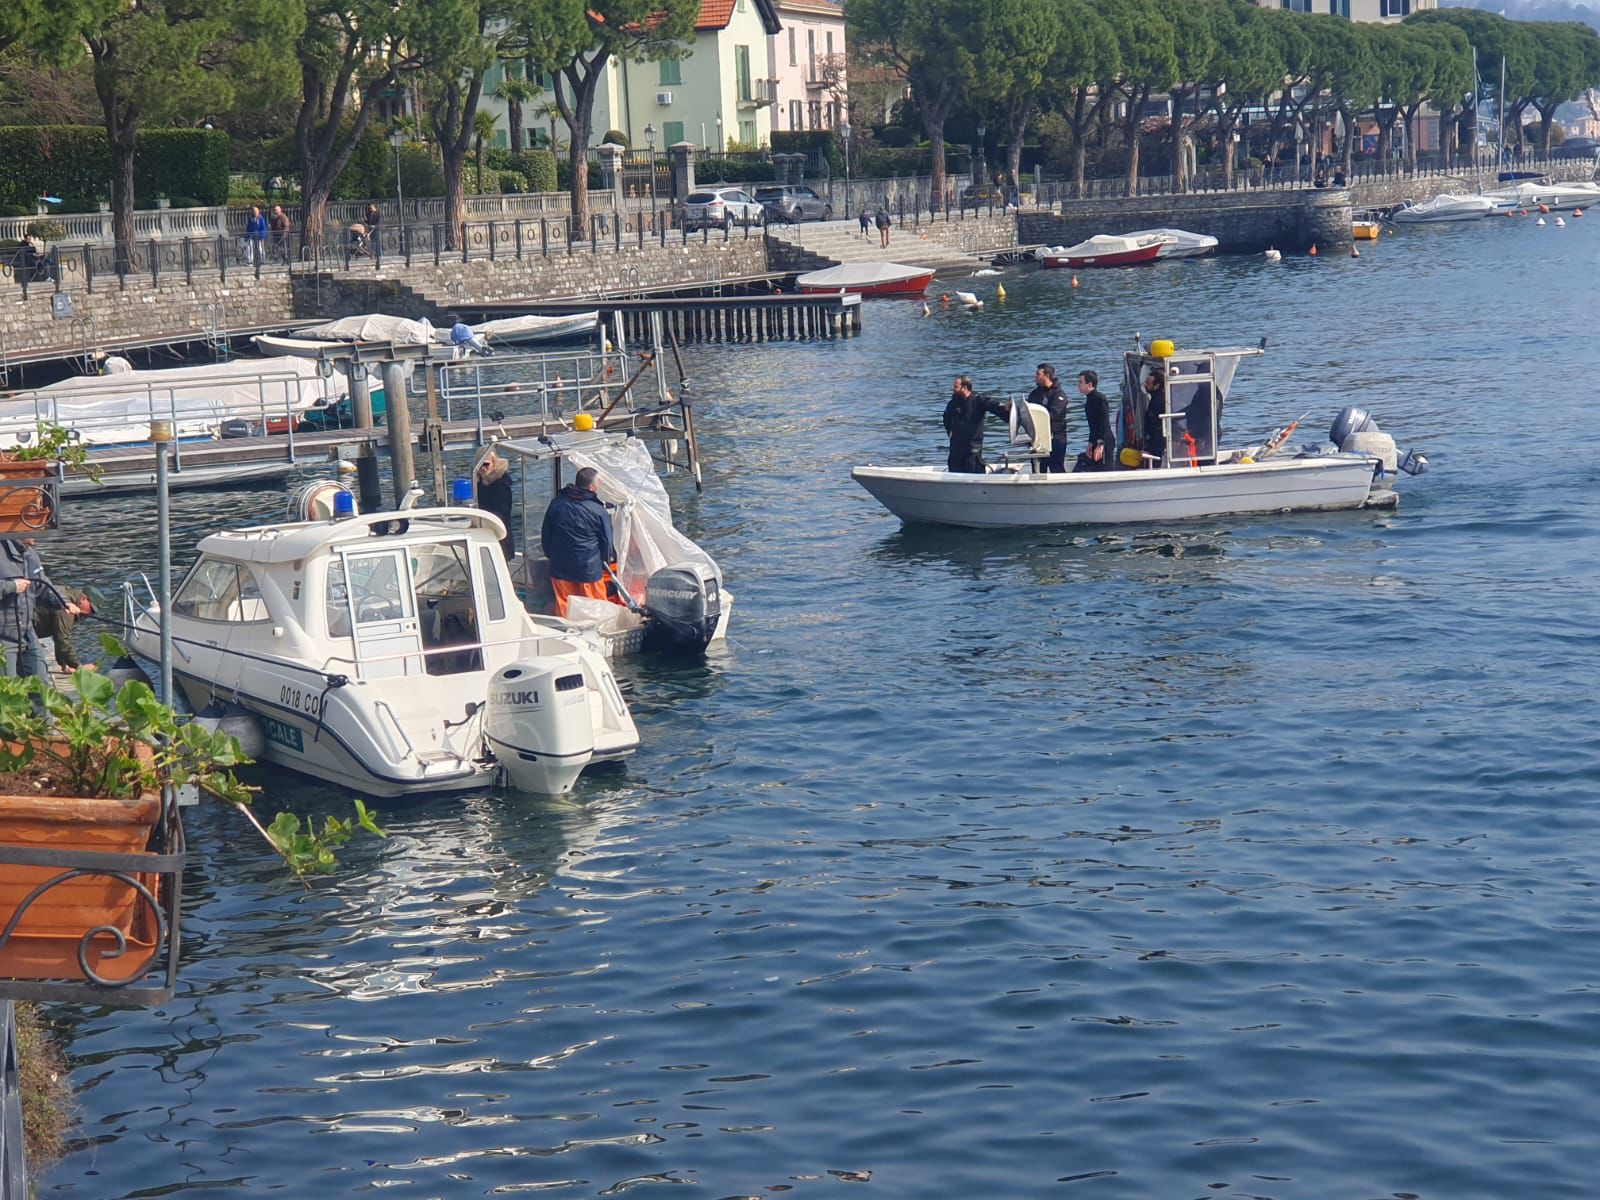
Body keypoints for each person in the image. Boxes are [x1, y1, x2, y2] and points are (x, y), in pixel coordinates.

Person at [541, 466, 617, 617]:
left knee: (565, 605)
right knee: (596, 607)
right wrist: (605, 562)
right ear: (591, 487)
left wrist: (551, 556)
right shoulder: (598, 510)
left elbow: (546, 533)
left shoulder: (557, 503)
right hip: (588, 568)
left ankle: (566, 628)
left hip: (560, 565)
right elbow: (606, 542)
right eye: (599, 482)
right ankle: (596, 628)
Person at [0, 538, 59, 685]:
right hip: (3, 637)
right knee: (7, 687)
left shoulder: (31, 555)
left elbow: (43, 586)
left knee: (40, 684)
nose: (34, 541)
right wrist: (10, 586)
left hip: (27, 633)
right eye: (32, 536)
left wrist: (65, 603)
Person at [942, 375, 1009, 475]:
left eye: (956, 387)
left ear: (964, 388)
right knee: (954, 470)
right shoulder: (953, 402)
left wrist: (1005, 407)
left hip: (972, 448)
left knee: (973, 470)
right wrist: (949, 430)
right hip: (956, 448)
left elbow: (993, 405)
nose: (953, 390)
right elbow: (946, 417)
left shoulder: (978, 401)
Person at [1026, 363, 1070, 473]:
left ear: (1047, 376)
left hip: (1056, 437)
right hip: (1038, 438)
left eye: (1038, 374)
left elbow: (1053, 414)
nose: (1035, 376)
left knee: (1056, 467)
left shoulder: (1059, 395)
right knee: (1038, 468)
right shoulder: (1035, 394)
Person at [476, 451, 516, 560]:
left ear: (494, 464)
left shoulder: (500, 485)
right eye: (480, 464)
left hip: (499, 536)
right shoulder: (480, 483)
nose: (483, 468)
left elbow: (501, 513)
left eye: (486, 464)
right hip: (488, 533)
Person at [1074, 369, 1115, 472]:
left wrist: (1101, 444)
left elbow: (1104, 422)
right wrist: (1090, 443)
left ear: (1089, 384)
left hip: (1104, 438)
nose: (1078, 385)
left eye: (1080, 382)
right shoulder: (1089, 400)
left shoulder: (1099, 398)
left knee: (1104, 468)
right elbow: (1093, 426)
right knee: (1087, 460)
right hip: (1096, 438)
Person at [1139, 369, 1168, 466]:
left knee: (1156, 461)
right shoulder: (1154, 398)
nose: (1145, 385)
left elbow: (1154, 422)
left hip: (1157, 439)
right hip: (1152, 438)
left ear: (1156, 386)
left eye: (1148, 383)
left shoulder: (1159, 400)